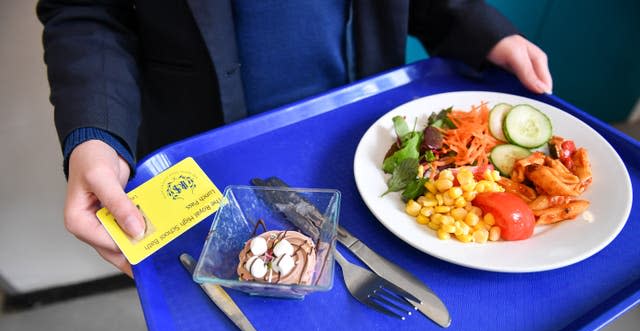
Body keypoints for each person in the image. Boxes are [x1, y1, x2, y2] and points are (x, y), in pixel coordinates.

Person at [37, 0, 552, 278]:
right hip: (203, 150)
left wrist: (483, 30)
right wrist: (94, 133)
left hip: (363, 144)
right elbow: (87, 10)